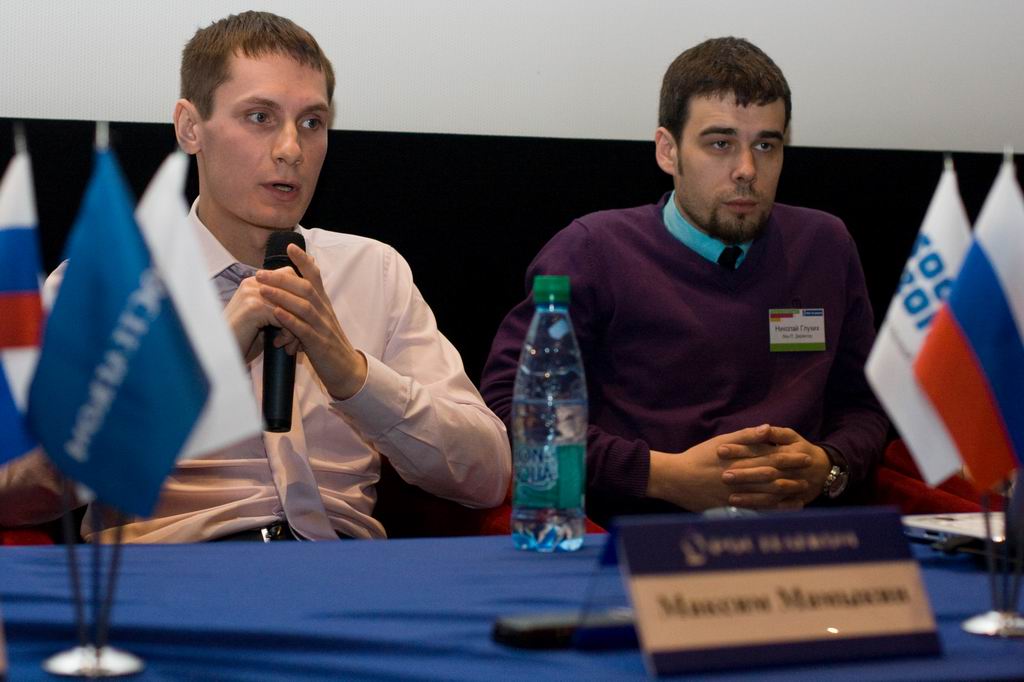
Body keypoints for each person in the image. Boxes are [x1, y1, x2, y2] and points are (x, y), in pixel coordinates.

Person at [0, 11, 510, 542]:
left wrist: (354, 375)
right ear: (190, 127)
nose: (291, 149)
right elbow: (13, 487)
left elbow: (489, 474)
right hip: (173, 571)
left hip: (339, 570)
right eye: (260, 117)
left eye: (312, 123)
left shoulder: (374, 271)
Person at [480, 37, 888, 529]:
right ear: (668, 150)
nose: (747, 170)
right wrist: (661, 476)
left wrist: (829, 466)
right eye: (720, 144)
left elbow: (865, 407)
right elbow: (512, 409)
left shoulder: (824, 246)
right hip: (636, 538)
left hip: (798, 539)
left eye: (766, 145)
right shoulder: (591, 251)